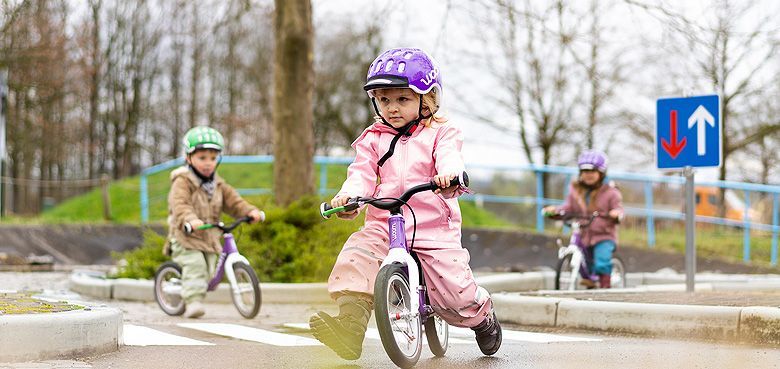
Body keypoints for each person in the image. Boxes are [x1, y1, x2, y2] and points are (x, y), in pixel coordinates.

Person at [309, 47, 501, 360]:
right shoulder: (373, 138)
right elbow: (361, 174)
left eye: (402, 99)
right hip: (385, 224)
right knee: (357, 257)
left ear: (427, 99)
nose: (392, 108)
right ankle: (350, 328)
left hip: (431, 228)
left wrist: (449, 174)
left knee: (455, 295)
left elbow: (449, 156)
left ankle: (483, 317)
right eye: (384, 100)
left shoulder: (441, 132)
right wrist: (349, 197)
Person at [164, 126, 264, 318]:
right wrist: (191, 220)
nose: (208, 163)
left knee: (210, 271)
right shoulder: (182, 182)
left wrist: (250, 211)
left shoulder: (218, 185)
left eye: (213, 157)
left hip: (209, 237)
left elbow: (235, 202)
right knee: (196, 266)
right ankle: (193, 302)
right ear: (188, 158)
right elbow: (180, 205)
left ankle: (195, 289)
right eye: (202, 158)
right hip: (186, 237)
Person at [543, 150, 624, 288]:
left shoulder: (611, 192)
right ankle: (590, 281)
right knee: (583, 259)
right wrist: (555, 211)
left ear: (601, 173)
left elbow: (618, 208)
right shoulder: (576, 191)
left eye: (592, 171)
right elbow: (568, 208)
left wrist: (616, 213)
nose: (588, 175)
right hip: (584, 233)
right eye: (585, 171)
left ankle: (606, 289)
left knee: (602, 262)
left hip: (603, 235)